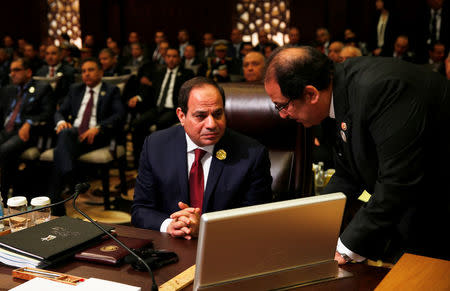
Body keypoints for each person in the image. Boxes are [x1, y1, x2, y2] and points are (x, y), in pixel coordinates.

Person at [264, 46, 450, 263]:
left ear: (311, 93)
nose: (283, 115)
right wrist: (311, 227)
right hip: (413, 208)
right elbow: (347, 174)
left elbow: (397, 183)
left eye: (282, 106)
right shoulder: (338, 91)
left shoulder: (381, 90)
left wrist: (345, 248)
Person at [131, 77, 272, 238]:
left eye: (218, 114)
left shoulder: (252, 154)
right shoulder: (155, 146)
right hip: (169, 247)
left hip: (226, 246)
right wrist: (169, 225)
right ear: (181, 116)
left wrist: (205, 229)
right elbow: (140, 210)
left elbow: (256, 221)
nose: (211, 124)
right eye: (201, 116)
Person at [51, 58, 125, 215]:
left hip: (96, 137)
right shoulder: (75, 89)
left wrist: (98, 127)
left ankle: (59, 194)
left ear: (100, 72)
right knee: (65, 133)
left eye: (90, 70)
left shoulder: (111, 90)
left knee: (60, 149)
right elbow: (59, 111)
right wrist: (61, 122)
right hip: (73, 135)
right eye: (83, 71)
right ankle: (71, 177)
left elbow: (119, 115)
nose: (86, 74)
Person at [130, 47, 194, 167]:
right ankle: (140, 160)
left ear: (179, 59)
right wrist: (138, 97)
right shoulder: (158, 73)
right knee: (137, 123)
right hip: (157, 108)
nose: (171, 59)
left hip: (174, 109)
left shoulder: (187, 74)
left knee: (161, 124)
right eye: (168, 56)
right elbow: (149, 91)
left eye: (174, 56)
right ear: (165, 58)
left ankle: (160, 162)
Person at [0, 58, 54, 201]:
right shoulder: (8, 90)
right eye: (11, 70)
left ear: (28, 72)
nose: (12, 74)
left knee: (3, 151)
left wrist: (30, 122)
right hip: (6, 130)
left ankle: (3, 197)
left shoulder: (42, 88)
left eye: (16, 70)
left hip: (26, 132)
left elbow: (48, 113)